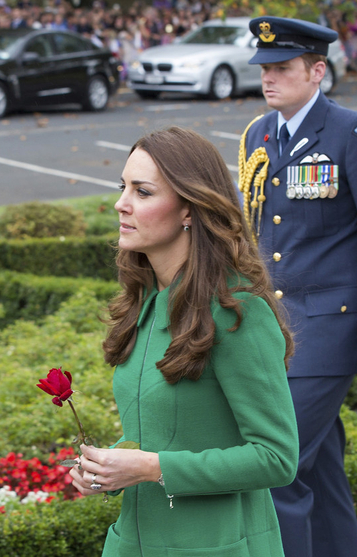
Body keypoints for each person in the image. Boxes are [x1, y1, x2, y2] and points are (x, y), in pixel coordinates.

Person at [70, 126, 299, 556]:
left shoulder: (238, 313)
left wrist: (152, 468)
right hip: (133, 543)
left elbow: (277, 457)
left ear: (189, 210)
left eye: (142, 192)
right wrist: (109, 466)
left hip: (215, 544)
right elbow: (166, 432)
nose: (121, 204)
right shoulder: (144, 302)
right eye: (123, 188)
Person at [239, 16, 357, 557]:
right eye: (265, 68)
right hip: (276, 332)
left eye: (283, 68)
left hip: (332, 331)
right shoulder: (257, 135)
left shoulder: (353, 133)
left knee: (277, 467)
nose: (270, 78)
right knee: (321, 473)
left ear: (318, 71)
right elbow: (257, 236)